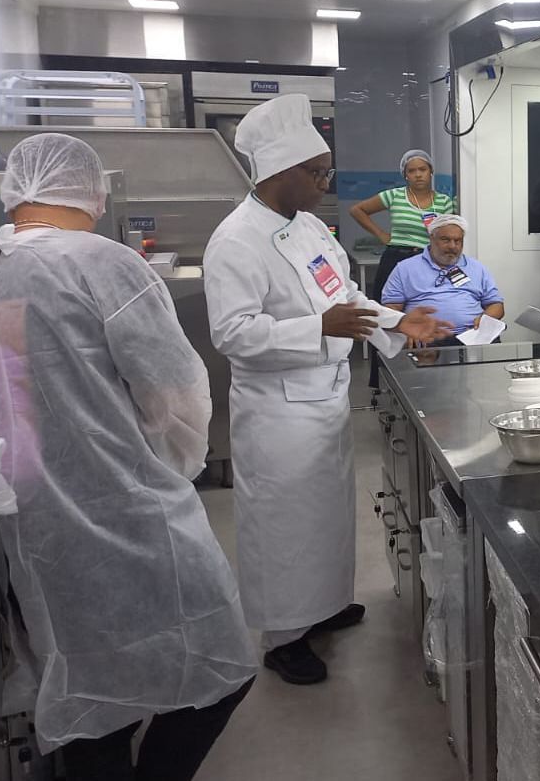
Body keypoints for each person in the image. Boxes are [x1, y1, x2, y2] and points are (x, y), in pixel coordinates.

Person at [0, 133, 255, 779]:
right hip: (129, 519)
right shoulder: (100, 264)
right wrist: (170, 468)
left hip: (33, 535)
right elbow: (177, 399)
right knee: (219, 670)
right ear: (90, 190)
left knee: (92, 704)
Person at [204, 94, 446, 686]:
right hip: (277, 414)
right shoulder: (236, 241)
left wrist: (398, 322)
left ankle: (325, 605)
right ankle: (284, 636)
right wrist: (317, 327)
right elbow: (232, 333)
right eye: (316, 174)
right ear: (280, 174)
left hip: (326, 400)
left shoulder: (309, 227)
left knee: (329, 516)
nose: (324, 183)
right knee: (285, 525)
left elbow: (347, 300)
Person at [350, 149, 456, 386]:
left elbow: (447, 234)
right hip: (395, 259)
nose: (418, 175)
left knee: (421, 317)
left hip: (428, 263)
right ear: (405, 175)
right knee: (387, 319)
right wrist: (381, 234)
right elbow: (357, 210)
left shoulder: (444, 202)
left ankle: (421, 380)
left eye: (422, 170)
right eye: (412, 171)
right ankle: (381, 382)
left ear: (431, 173)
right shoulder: (394, 196)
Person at [380, 215, 504, 346]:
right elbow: (390, 308)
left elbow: (496, 305)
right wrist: (406, 328)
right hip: (426, 338)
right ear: (431, 238)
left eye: (458, 241)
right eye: (445, 240)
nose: (452, 246)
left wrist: (485, 320)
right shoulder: (405, 268)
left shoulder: (477, 268)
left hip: (472, 337)